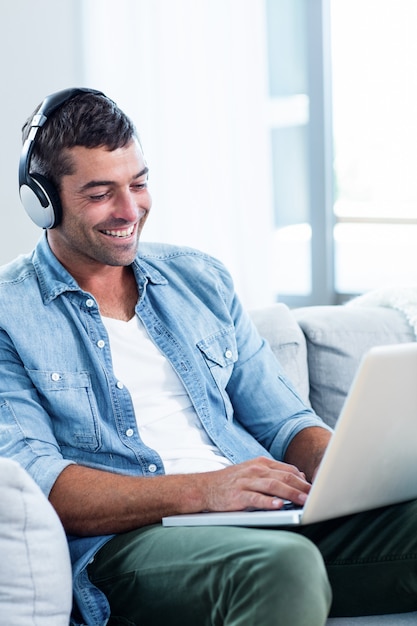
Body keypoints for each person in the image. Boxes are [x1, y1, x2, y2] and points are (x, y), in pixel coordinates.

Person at [1, 88, 416, 626]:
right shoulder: (12, 313)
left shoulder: (199, 279)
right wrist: (207, 491)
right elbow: (41, 483)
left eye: (139, 183)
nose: (130, 210)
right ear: (43, 200)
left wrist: (352, 472)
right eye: (101, 193)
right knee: (282, 566)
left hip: (264, 523)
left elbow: (286, 422)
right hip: (129, 547)